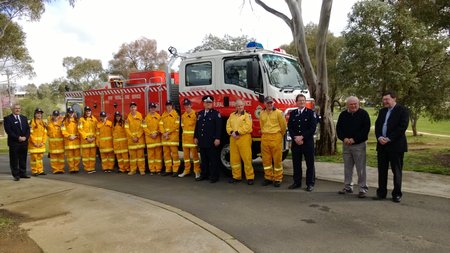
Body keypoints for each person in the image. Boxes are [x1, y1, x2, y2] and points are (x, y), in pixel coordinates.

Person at [374, 91, 409, 203]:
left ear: (394, 99)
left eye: (387, 99)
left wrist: (389, 139)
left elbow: (402, 127)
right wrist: (379, 137)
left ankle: (397, 194)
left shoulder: (402, 110)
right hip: (382, 146)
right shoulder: (382, 111)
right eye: (383, 99)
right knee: (382, 170)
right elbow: (378, 125)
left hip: (396, 146)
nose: (385, 102)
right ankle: (381, 193)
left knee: (396, 171)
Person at [336, 96, 371, 198]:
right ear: (347, 105)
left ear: (358, 104)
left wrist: (354, 139)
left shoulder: (363, 114)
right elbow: (339, 129)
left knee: (360, 168)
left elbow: (365, 130)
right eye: (351, 104)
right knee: (347, 167)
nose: (353, 106)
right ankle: (348, 186)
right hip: (346, 145)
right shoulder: (343, 115)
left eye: (355, 104)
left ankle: (362, 188)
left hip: (359, 145)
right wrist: (344, 138)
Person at [288, 94, 317, 192]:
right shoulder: (293, 113)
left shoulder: (310, 113)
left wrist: (302, 137)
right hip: (296, 142)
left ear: (305, 102)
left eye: (303, 100)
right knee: (296, 163)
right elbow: (290, 127)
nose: (302, 102)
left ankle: (310, 183)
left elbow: (312, 128)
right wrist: (295, 137)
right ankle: (297, 182)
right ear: (296, 102)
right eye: (300, 100)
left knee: (310, 163)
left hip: (307, 142)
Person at [260, 96, 287, 187]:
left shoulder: (279, 113)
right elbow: (261, 125)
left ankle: (278, 178)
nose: (269, 104)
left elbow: (283, 126)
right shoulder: (262, 113)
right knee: (266, 160)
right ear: (264, 103)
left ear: (273, 103)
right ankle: (268, 177)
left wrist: (279, 135)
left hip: (276, 137)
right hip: (265, 138)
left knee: (277, 159)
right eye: (268, 103)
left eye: (271, 102)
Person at [226, 99, 254, 185]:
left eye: (241, 105)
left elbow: (248, 127)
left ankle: (250, 177)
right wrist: (231, 133)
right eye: (238, 106)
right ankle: (236, 177)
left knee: (246, 158)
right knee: (234, 159)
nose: (240, 107)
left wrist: (237, 132)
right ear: (236, 106)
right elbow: (228, 126)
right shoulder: (232, 115)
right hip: (233, 138)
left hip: (244, 138)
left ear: (244, 106)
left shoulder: (247, 115)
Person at [194, 95, 222, 183]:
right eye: (206, 102)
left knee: (213, 160)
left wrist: (217, 138)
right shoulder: (200, 113)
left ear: (212, 103)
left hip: (211, 141)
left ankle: (214, 176)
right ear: (204, 103)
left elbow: (219, 127)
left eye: (210, 102)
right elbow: (197, 126)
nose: (208, 104)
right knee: (204, 159)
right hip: (202, 141)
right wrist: (195, 137)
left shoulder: (215, 114)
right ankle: (204, 174)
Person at [4, 103, 31, 181]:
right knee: (14, 159)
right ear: (12, 109)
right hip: (14, 143)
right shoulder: (8, 118)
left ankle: (23, 173)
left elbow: (27, 129)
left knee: (23, 158)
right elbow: (8, 131)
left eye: (19, 108)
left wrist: (25, 137)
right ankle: (16, 175)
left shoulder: (24, 118)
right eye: (16, 108)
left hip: (24, 142)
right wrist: (18, 137)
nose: (17, 109)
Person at [179, 98, 201, 179]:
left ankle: (197, 171)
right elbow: (183, 128)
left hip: (192, 140)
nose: (186, 107)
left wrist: (196, 138)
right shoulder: (183, 116)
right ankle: (186, 170)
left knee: (195, 158)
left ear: (190, 105)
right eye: (185, 106)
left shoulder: (195, 115)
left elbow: (197, 128)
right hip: (185, 140)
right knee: (186, 158)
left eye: (188, 105)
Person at [159, 100, 181, 176]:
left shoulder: (176, 115)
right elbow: (160, 125)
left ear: (172, 106)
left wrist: (167, 133)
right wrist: (163, 133)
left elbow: (176, 126)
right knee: (166, 155)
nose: (168, 107)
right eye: (167, 105)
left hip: (173, 138)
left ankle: (175, 170)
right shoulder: (163, 115)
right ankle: (168, 169)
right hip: (165, 138)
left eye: (170, 105)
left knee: (175, 155)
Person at [125, 102, 146, 175]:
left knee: (141, 157)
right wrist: (132, 137)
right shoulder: (128, 118)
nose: (133, 108)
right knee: (132, 157)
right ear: (130, 108)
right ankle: (133, 170)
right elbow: (126, 129)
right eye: (131, 107)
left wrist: (137, 136)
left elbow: (142, 127)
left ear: (136, 108)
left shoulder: (140, 116)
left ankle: (141, 170)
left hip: (139, 140)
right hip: (132, 141)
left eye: (134, 107)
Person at [143, 102, 163, 175]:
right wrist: (151, 134)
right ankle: (152, 170)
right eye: (151, 108)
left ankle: (158, 169)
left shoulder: (159, 117)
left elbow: (161, 127)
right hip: (150, 139)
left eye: (154, 108)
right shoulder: (146, 118)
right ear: (149, 109)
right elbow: (144, 127)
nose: (153, 109)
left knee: (158, 156)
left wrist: (157, 133)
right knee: (151, 156)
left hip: (157, 139)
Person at [78, 106, 98, 174]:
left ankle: (92, 168)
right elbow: (80, 129)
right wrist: (87, 138)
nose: (88, 112)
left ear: (91, 111)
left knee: (92, 156)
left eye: (89, 111)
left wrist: (94, 137)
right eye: (87, 111)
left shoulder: (94, 119)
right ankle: (87, 168)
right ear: (85, 112)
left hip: (92, 141)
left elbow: (97, 129)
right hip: (85, 141)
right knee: (86, 156)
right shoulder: (81, 120)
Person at [28, 108, 47, 176]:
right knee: (34, 158)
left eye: (40, 113)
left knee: (40, 158)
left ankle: (40, 170)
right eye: (38, 113)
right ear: (35, 114)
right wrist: (34, 143)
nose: (39, 115)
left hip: (41, 145)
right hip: (34, 145)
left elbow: (45, 133)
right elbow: (30, 134)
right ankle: (34, 171)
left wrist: (43, 142)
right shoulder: (32, 122)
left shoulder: (43, 123)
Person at [61, 107, 81, 173]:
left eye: (72, 112)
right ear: (68, 113)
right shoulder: (64, 121)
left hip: (76, 141)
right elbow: (63, 130)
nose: (71, 114)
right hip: (69, 141)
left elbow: (80, 129)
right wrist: (69, 136)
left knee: (77, 157)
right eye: (70, 113)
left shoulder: (77, 121)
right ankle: (72, 168)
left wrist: (75, 136)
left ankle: (76, 168)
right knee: (70, 157)